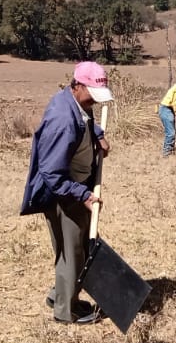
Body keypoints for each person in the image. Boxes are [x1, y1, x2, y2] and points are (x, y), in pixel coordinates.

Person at [20, 61, 113, 324]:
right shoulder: (62, 120)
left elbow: (85, 121)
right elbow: (51, 173)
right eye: (92, 95)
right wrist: (82, 195)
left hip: (75, 187)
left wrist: (97, 134)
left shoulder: (76, 103)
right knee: (72, 253)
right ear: (77, 85)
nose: (94, 102)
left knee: (77, 248)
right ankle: (66, 312)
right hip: (64, 195)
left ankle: (59, 294)